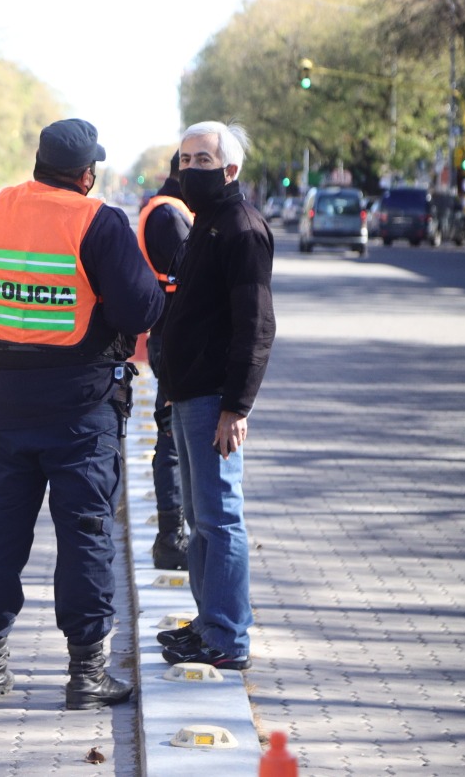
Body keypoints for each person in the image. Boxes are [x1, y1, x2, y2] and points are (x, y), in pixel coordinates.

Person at [0, 118, 164, 709]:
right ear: (87, 173)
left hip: (2, 411)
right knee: (84, 536)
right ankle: (85, 675)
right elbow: (141, 311)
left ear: (38, 162)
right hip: (81, 415)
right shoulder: (98, 221)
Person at [156, 121, 275, 671]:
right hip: (186, 395)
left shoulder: (242, 229)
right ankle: (208, 623)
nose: (189, 170)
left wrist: (237, 406)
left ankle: (229, 636)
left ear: (231, 169)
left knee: (221, 519)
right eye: (184, 160)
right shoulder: (206, 224)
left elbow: (255, 326)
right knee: (201, 520)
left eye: (202, 160)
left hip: (214, 401)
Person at [136, 152, 194, 570]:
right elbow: (193, 281)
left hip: (173, 338)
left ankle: (173, 535)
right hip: (174, 341)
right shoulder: (170, 216)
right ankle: (170, 538)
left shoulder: (173, 210)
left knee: (176, 440)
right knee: (172, 443)